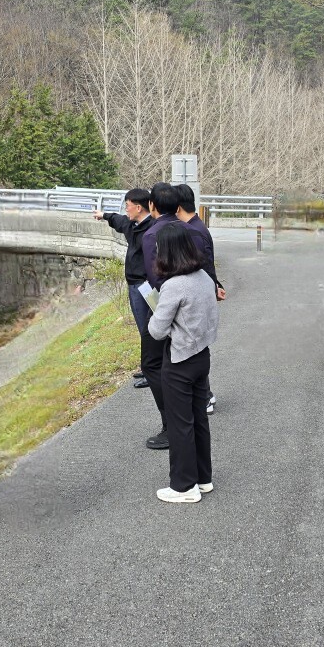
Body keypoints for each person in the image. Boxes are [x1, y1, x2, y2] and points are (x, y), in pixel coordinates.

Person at [147, 222, 219, 503]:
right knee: (198, 419)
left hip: (179, 361)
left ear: (167, 251)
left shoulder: (174, 285)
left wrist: (156, 312)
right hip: (202, 355)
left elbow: (156, 330)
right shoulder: (203, 277)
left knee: (180, 424)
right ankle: (203, 478)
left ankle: (183, 486)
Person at [94, 188, 153, 389]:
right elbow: (118, 220)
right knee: (143, 328)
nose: (125, 210)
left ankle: (151, 372)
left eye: (127, 206)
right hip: (135, 286)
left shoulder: (152, 229)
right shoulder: (132, 225)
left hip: (146, 286)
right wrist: (104, 215)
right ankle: (148, 368)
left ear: (138, 207)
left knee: (149, 329)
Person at [139, 182, 183, 450]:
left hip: (165, 305)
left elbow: (154, 278)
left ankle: (171, 424)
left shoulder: (152, 234)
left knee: (153, 364)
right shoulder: (184, 227)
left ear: (152, 205)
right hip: (189, 305)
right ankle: (182, 419)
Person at [175, 184, 224, 415]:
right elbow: (209, 264)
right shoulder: (196, 226)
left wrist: (213, 287)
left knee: (196, 347)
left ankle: (205, 397)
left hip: (198, 298)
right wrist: (216, 285)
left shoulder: (193, 232)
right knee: (198, 346)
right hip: (205, 293)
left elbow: (201, 267)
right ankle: (204, 395)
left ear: (177, 206)